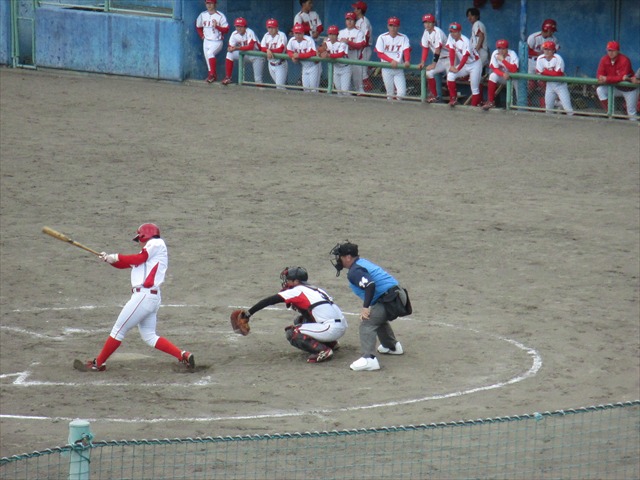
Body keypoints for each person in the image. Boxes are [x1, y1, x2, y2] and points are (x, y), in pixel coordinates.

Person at [79, 224, 194, 372]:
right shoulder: (149, 255)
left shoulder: (156, 243)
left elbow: (138, 258)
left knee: (118, 330)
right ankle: (183, 355)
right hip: (150, 297)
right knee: (149, 336)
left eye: (139, 238)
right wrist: (108, 259)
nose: (139, 242)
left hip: (144, 296)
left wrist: (116, 256)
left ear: (145, 236)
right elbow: (126, 264)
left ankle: (99, 363)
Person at [240, 267, 347, 364]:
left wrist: (248, 314)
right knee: (300, 320)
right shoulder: (316, 289)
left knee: (292, 333)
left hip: (330, 328)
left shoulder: (297, 290)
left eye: (288, 280)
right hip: (339, 326)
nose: (286, 283)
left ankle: (323, 350)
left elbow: (270, 300)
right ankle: (331, 343)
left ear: (296, 281)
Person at [330, 241, 409, 372]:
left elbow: (370, 285)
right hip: (396, 296)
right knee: (377, 318)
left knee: (367, 323)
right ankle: (392, 346)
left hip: (391, 299)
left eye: (340, 256)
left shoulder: (355, 271)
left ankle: (369, 359)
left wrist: (365, 307)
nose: (338, 259)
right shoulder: (361, 263)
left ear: (348, 257)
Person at [596, 41, 638, 121]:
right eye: (609, 50)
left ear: (618, 51)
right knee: (600, 90)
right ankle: (610, 112)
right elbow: (599, 75)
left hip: (629, 89)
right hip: (616, 88)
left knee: (631, 113)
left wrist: (607, 79)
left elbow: (622, 77)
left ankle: (634, 126)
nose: (611, 53)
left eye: (613, 50)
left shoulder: (625, 60)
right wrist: (603, 78)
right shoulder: (604, 59)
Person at [445, 22, 482, 107]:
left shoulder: (465, 41)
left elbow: (465, 57)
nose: (452, 33)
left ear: (459, 32)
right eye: (451, 31)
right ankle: (453, 99)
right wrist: (452, 66)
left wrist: (458, 69)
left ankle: (473, 107)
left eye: (454, 32)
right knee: (450, 75)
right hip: (465, 65)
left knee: (474, 88)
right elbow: (451, 51)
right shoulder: (450, 37)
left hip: (475, 64)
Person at [374, 17, 411, 101]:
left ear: (398, 27)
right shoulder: (382, 37)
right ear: (388, 26)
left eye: (395, 26)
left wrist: (407, 60)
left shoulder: (403, 37)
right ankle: (391, 108)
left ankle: (397, 106)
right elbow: (380, 54)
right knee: (390, 93)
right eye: (391, 25)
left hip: (399, 68)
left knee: (401, 93)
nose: (393, 28)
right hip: (386, 68)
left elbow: (406, 50)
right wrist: (391, 61)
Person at [418, 13, 450, 103]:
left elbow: (437, 49)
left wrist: (433, 64)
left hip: (450, 58)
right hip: (440, 60)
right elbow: (425, 48)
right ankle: (434, 95)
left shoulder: (437, 31)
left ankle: (453, 98)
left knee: (451, 78)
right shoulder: (426, 32)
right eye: (425, 22)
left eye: (429, 22)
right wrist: (422, 62)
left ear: (433, 23)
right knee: (429, 73)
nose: (427, 24)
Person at [222, 17, 264, 86]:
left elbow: (250, 47)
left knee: (258, 80)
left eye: (241, 26)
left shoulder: (250, 32)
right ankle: (228, 77)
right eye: (237, 26)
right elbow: (230, 46)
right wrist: (230, 48)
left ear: (245, 27)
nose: (239, 28)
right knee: (229, 54)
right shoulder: (234, 34)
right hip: (244, 54)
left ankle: (261, 90)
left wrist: (236, 48)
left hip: (256, 55)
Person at [195, 0, 229, 83]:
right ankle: (211, 75)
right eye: (207, 3)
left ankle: (213, 75)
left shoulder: (220, 16)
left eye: (211, 3)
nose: (209, 5)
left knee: (210, 53)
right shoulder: (203, 15)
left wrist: (217, 26)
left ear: (215, 4)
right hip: (206, 40)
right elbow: (198, 26)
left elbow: (226, 29)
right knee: (208, 59)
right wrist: (201, 35)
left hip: (217, 41)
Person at [536, 40, 573, 115]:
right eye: (545, 49)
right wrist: (550, 73)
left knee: (568, 109)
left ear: (553, 50)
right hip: (549, 85)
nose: (547, 51)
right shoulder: (540, 58)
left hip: (560, 85)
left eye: (549, 49)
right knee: (548, 108)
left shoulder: (558, 58)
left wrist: (545, 72)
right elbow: (539, 72)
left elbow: (558, 73)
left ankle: (573, 120)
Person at [527, 19, 559, 104]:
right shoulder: (533, 37)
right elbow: (527, 50)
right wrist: (540, 54)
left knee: (543, 85)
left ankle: (543, 107)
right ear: (547, 29)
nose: (552, 33)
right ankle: (527, 107)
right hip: (531, 62)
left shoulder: (554, 39)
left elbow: (555, 51)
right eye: (551, 31)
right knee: (530, 85)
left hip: (544, 63)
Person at [483, 39, 519, 110]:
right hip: (504, 77)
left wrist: (503, 60)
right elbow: (494, 68)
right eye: (499, 48)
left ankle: (520, 105)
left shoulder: (512, 54)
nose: (501, 50)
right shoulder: (495, 53)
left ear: (507, 48)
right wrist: (503, 74)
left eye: (503, 48)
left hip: (514, 77)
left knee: (518, 87)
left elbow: (514, 69)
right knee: (492, 76)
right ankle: (491, 102)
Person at [287, 23, 321, 92]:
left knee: (313, 89)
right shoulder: (292, 40)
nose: (297, 35)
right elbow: (289, 51)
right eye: (296, 33)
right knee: (306, 89)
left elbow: (313, 52)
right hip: (305, 67)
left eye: (299, 33)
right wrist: (292, 56)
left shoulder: (308, 40)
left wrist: (299, 55)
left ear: (303, 33)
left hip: (314, 66)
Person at [339, 12, 366, 94]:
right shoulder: (341, 32)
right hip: (344, 62)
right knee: (345, 86)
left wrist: (348, 42)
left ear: (355, 21)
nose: (349, 21)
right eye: (347, 19)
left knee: (358, 85)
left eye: (351, 20)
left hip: (355, 60)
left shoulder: (359, 32)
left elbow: (360, 45)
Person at [321, 25, 351, 95]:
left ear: (337, 35)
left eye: (333, 34)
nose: (331, 36)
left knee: (345, 90)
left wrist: (328, 55)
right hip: (336, 68)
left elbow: (340, 54)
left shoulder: (342, 43)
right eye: (330, 34)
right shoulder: (327, 43)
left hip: (345, 68)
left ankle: (350, 101)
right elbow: (320, 51)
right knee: (339, 90)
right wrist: (322, 46)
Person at [260, 18, 288, 90]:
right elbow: (262, 47)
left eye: (273, 27)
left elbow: (281, 49)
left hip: (280, 64)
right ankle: (286, 95)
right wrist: (267, 50)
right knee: (280, 86)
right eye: (269, 27)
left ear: (277, 28)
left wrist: (270, 51)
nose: (271, 29)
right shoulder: (266, 35)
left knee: (279, 87)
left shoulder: (282, 35)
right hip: (270, 64)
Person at [352, 1, 373, 92]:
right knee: (358, 71)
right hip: (360, 49)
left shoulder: (364, 22)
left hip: (364, 49)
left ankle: (366, 90)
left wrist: (360, 50)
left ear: (360, 10)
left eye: (355, 8)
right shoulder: (358, 21)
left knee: (362, 71)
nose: (354, 10)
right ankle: (361, 90)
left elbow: (365, 38)